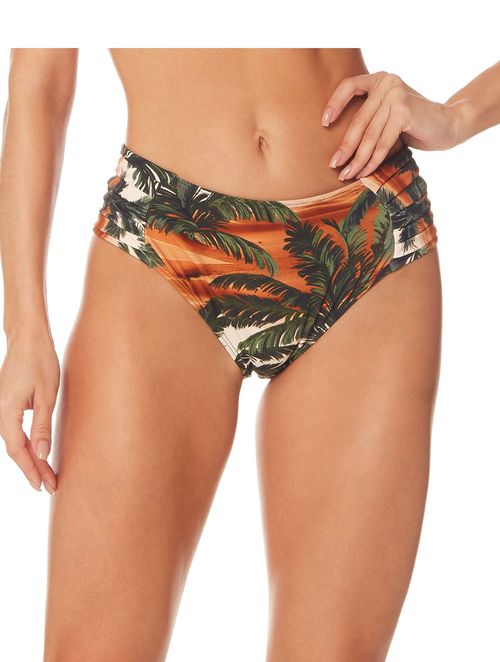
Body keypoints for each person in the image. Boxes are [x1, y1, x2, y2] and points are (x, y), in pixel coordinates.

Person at [0, 48, 498, 661]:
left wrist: (459, 114)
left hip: (364, 232)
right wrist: (24, 326)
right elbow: (40, 85)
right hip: (166, 235)